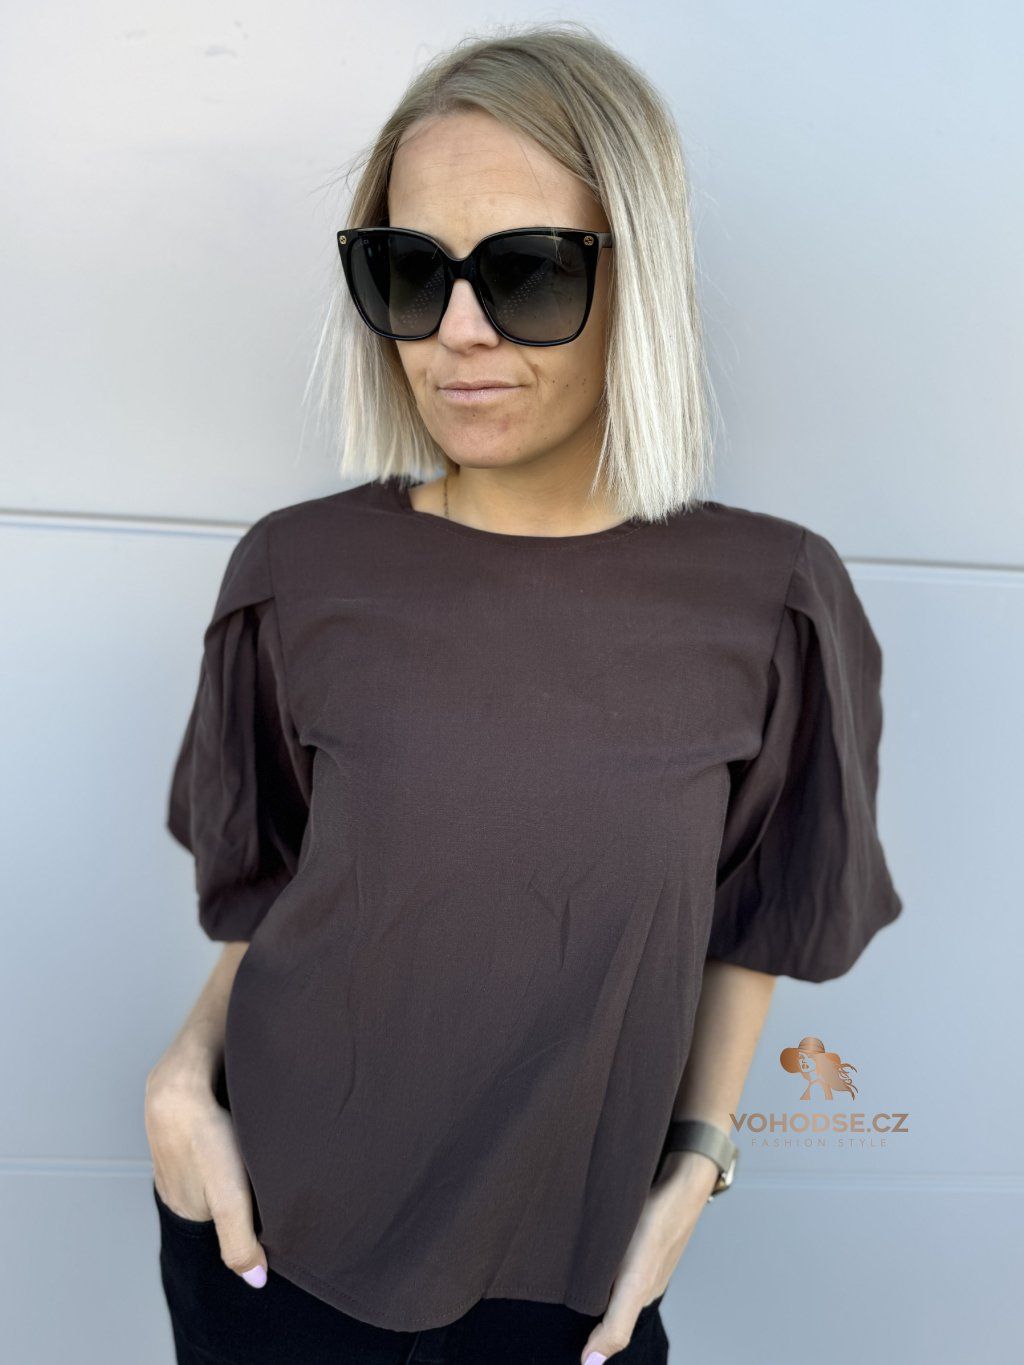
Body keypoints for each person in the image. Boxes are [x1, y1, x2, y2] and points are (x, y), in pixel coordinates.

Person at [144, 20, 904, 1365]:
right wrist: (178, 1081)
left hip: (566, 1288)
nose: (457, 332)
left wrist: (699, 1159)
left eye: (528, 271)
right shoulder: (296, 571)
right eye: (409, 270)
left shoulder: (772, 598)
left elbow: (758, 913)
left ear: (637, 277)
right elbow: (273, 890)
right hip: (265, 1240)